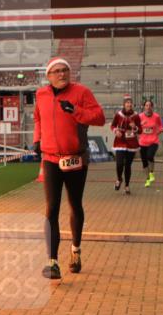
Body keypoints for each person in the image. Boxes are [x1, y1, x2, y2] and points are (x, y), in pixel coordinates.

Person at [33, 57, 105, 279]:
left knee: (75, 205)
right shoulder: (41, 95)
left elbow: (100, 118)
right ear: (49, 76)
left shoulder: (81, 92)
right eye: (57, 71)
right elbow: (37, 118)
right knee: (51, 208)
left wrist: (75, 111)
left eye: (65, 70)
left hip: (75, 158)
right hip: (51, 159)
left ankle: (75, 250)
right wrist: (37, 139)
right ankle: (52, 262)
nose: (62, 74)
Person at [110, 95, 141, 194]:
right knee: (119, 163)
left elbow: (140, 130)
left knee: (127, 165)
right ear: (124, 104)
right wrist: (116, 131)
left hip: (131, 142)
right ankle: (119, 179)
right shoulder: (118, 115)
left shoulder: (136, 115)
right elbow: (113, 125)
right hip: (120, 140)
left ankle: (127, 185)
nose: (129, 104)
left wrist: (135, 127)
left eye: (130, 102)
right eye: (127, 102)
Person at [138, 100, 163, 188]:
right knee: (144, 162)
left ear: (152, 107)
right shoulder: (140, 116)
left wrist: (160, 131)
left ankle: (152, 172)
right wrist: (141, 124)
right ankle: (148, 178)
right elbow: (136, 128)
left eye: (150, 105)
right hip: (142, 142)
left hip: (153, 141)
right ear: (144, 107)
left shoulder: (156, 116)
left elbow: (161, 126)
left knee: (149, 156)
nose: (148, 107)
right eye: (146, 105)